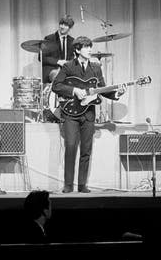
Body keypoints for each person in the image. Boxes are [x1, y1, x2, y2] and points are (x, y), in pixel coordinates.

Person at [52, 36, 125, 193]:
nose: (90, 50)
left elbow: (104, 89)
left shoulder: (96, 67)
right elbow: (56, 85)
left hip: (88, 114)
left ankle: (82, 184)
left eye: (90, 47)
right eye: (86, 47)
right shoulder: (68, 67)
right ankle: (68, 184)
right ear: (77, 50)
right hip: (70, 113)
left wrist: (117, 94)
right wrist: (74, 90)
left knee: (86, 150)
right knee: (71, 147)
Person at [39, 15, 75, 84]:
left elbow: (72, 58)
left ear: (70, 28)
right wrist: (58, 62)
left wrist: (69, 63)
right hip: (51, 70)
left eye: (66, 25)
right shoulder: (49, 38)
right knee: (58, 75)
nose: (62, 27)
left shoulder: (72, 41)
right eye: (61, 24)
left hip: (65, 70)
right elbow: (41, 57)